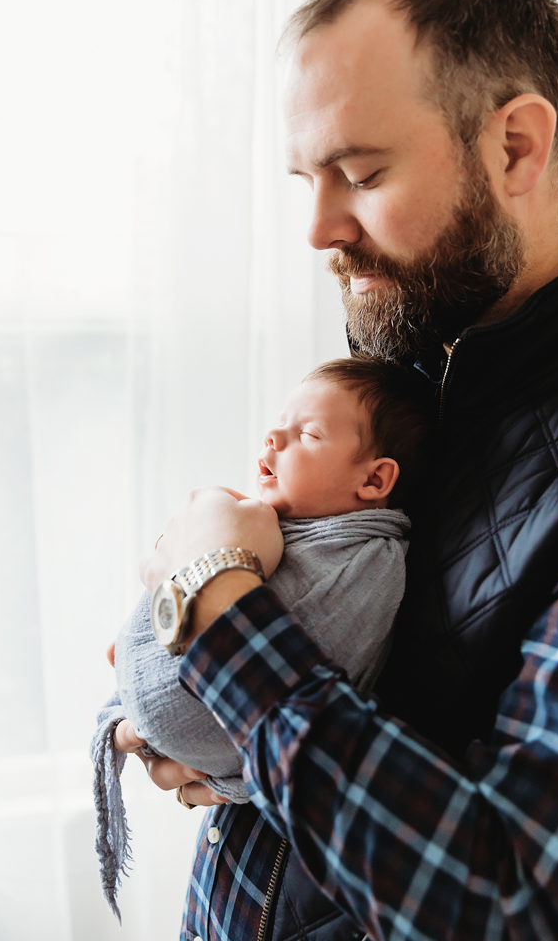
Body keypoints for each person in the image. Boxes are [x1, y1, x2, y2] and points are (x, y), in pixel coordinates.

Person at [134, 0, 558, 940]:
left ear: (514, 148)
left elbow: (516, 902)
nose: (320, 228)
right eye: (306, 178)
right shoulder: (404, 371)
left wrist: (215, 605)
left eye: (360, 174)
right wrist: (176, 706)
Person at [96, 358, 427, 918]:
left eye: (309, 434)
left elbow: (324, 652)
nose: (273, 437)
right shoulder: (291, 528)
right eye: (280, 422)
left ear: (374, 480)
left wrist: (200, 572)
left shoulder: (365, 563)